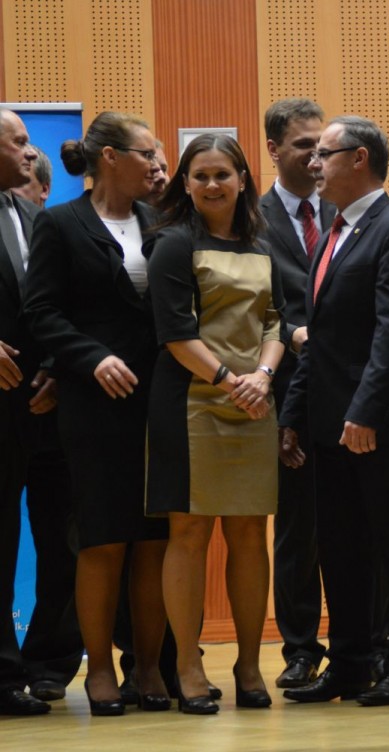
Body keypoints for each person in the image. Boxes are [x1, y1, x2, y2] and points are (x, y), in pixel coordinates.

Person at [280, 115, 389, 708]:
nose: (314, 163)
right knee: (339, 547)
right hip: (328, 423)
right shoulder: (334, 232)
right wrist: (294, 416)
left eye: (325, 153)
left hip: (381, 424)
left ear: (360, 158)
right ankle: (349, 664)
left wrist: (366, 411)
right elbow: (320, 339)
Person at [23, 111, 169, 716]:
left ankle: (149, 667)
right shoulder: (60, 222)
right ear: (110, 157)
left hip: (159, 398)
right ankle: (101, 671)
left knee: (155, 541)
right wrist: (89, 358)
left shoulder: (160, 221)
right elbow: (42, 311)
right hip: (94, 402)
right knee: (103, 540)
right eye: (146, 155)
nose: (157, 166)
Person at [145, 134, 284, 714]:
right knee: (190, 535)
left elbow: (276, 321)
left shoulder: (262, 243)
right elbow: (176, 334)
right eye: (199, 175)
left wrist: (264, 378)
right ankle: (188, 665)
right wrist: (233, 382)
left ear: (243, 179)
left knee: (250, 533)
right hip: (191, 404)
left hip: (254, 403)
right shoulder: (173, 244)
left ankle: (250, 665)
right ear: (185, 183)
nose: (211, 184)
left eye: (222, 174)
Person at [0, 110, 80, 716]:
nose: (32, 152)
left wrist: (57, 364)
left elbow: (60, 303)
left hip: (51, 402)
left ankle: (49, 663)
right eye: (20, 141)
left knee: (65, 540)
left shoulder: (36, 216)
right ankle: (2, 675)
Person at [260, 97, 335, 689]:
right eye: (303, 145)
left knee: (360, 522)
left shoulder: (346, 208)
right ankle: (301, 649)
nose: (315, 157)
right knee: (297, 529)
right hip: (284, 390)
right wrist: (292, 332)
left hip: (349, 386)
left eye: (321, 146)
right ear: (274, 150)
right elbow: (254, 302)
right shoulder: (250, 219)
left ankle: (366, 642)